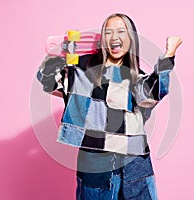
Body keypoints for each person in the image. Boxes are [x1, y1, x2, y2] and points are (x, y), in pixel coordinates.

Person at [37, 13, 182, 200]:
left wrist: (169, 55)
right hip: (95, 161)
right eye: (109, 32)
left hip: (135, 163)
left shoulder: (136, 77)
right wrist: (60, 54)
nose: (114, 37)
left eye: (121, 31)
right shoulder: (82, 69)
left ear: (131, 38)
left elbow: (153, 93)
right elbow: (48, 81)